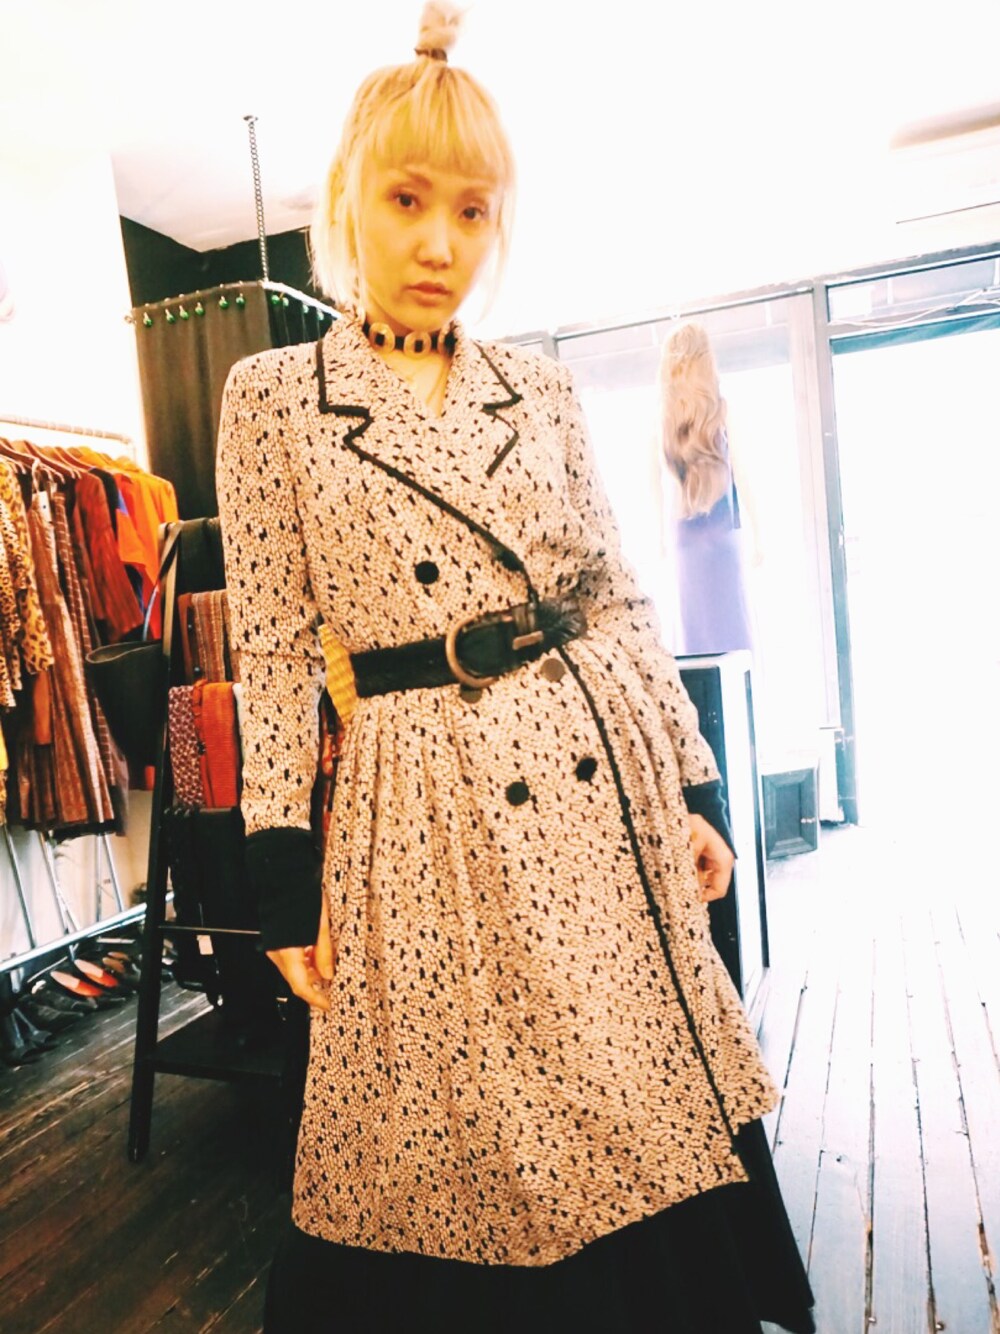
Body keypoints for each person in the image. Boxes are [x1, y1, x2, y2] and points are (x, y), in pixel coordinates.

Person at [216, 5, 815, 1330]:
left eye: (472, 211)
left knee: (631, 1090)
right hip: (416, 804)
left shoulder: (536, 391)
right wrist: (279, 868)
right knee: (441, 1126)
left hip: (589, 775)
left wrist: (693, 787)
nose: (440, 242)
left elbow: (613, 593)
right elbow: (269, 645)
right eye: (408, 199)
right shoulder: (272, 397)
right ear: (348, 198)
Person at [660, 322, 758, 657]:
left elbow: (660, 490)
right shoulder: (722, 411)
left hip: (684, 542)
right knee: (735, 637)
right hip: (723, 537)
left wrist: (660, 543)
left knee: (694, 641)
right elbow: (742, 473)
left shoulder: (664, 419)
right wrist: (759, 533)